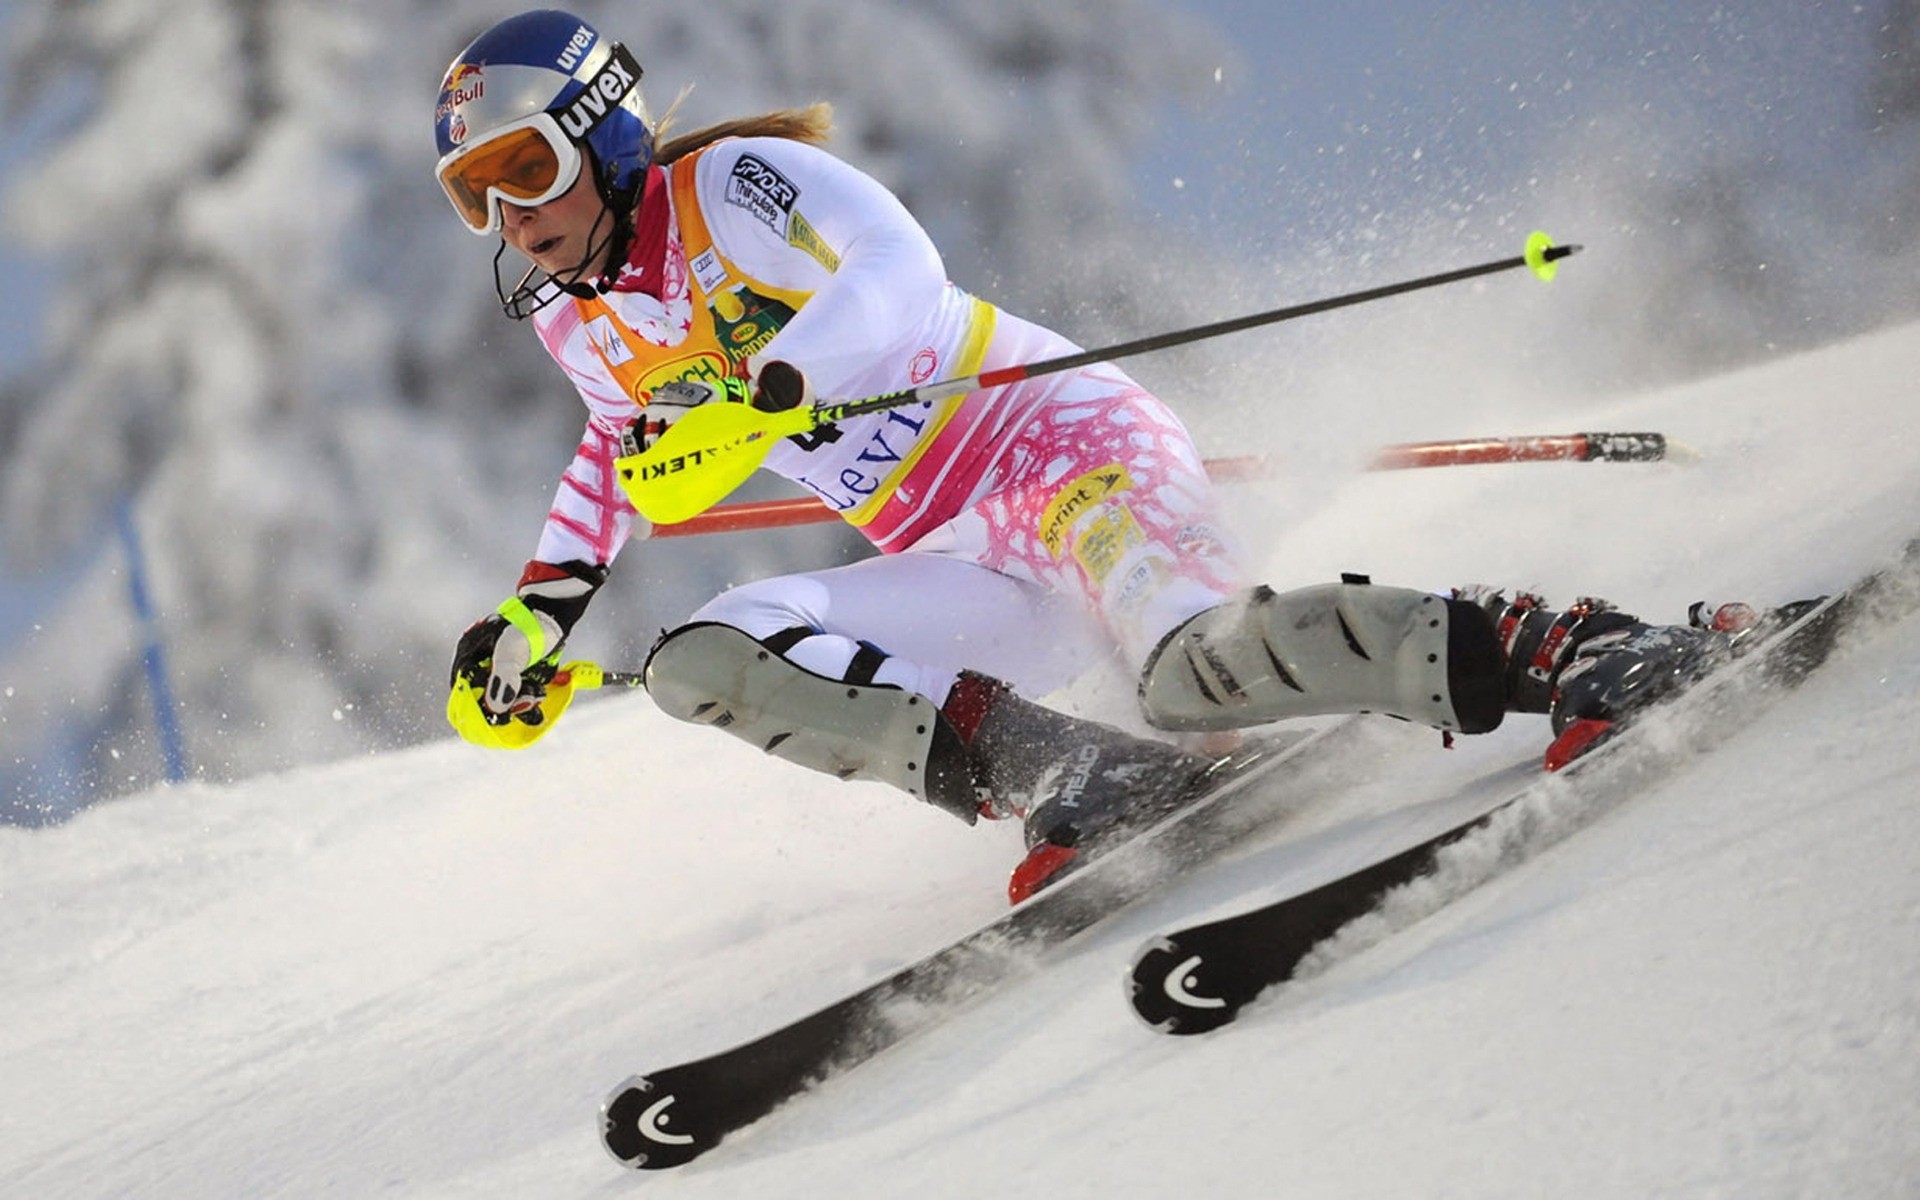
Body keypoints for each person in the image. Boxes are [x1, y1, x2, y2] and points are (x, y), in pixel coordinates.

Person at [435, 10, 1767, 902]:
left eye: (525, 167)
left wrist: (780, 382)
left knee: (1189, 669)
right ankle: (1076, 774)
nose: (509, 215)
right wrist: (534, 620)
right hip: (957, 551)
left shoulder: (730, 193)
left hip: (1067, 456)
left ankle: (1575, 648)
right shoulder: (577, 317)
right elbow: (619, 454)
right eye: (473, 195)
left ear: (606, 136)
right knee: (703, 658)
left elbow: (900, 275)